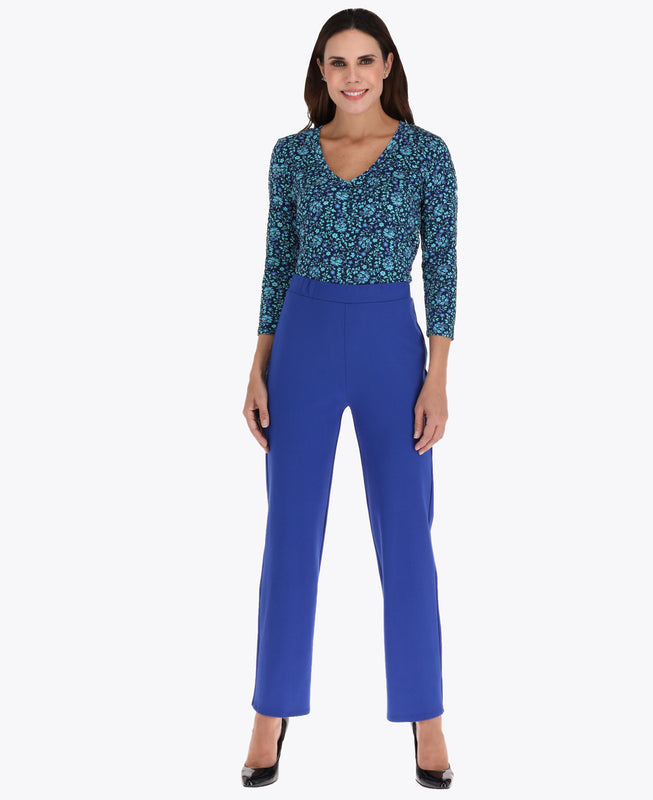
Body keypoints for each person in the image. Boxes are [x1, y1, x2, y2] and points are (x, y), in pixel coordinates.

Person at [241, 8, 457, 789]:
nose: (353, 75)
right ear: (321, 71)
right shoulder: (293, 155)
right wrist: (258, 366)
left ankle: (426, 717)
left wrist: (438, 376)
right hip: (302, 339)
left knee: (407, 535)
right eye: (338, 62)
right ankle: (270, 712)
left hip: (390, 344)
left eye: (366, 60)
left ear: (388, 65)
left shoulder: (426, 154)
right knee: (290, 533)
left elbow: (444, 270)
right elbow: (276, 263)